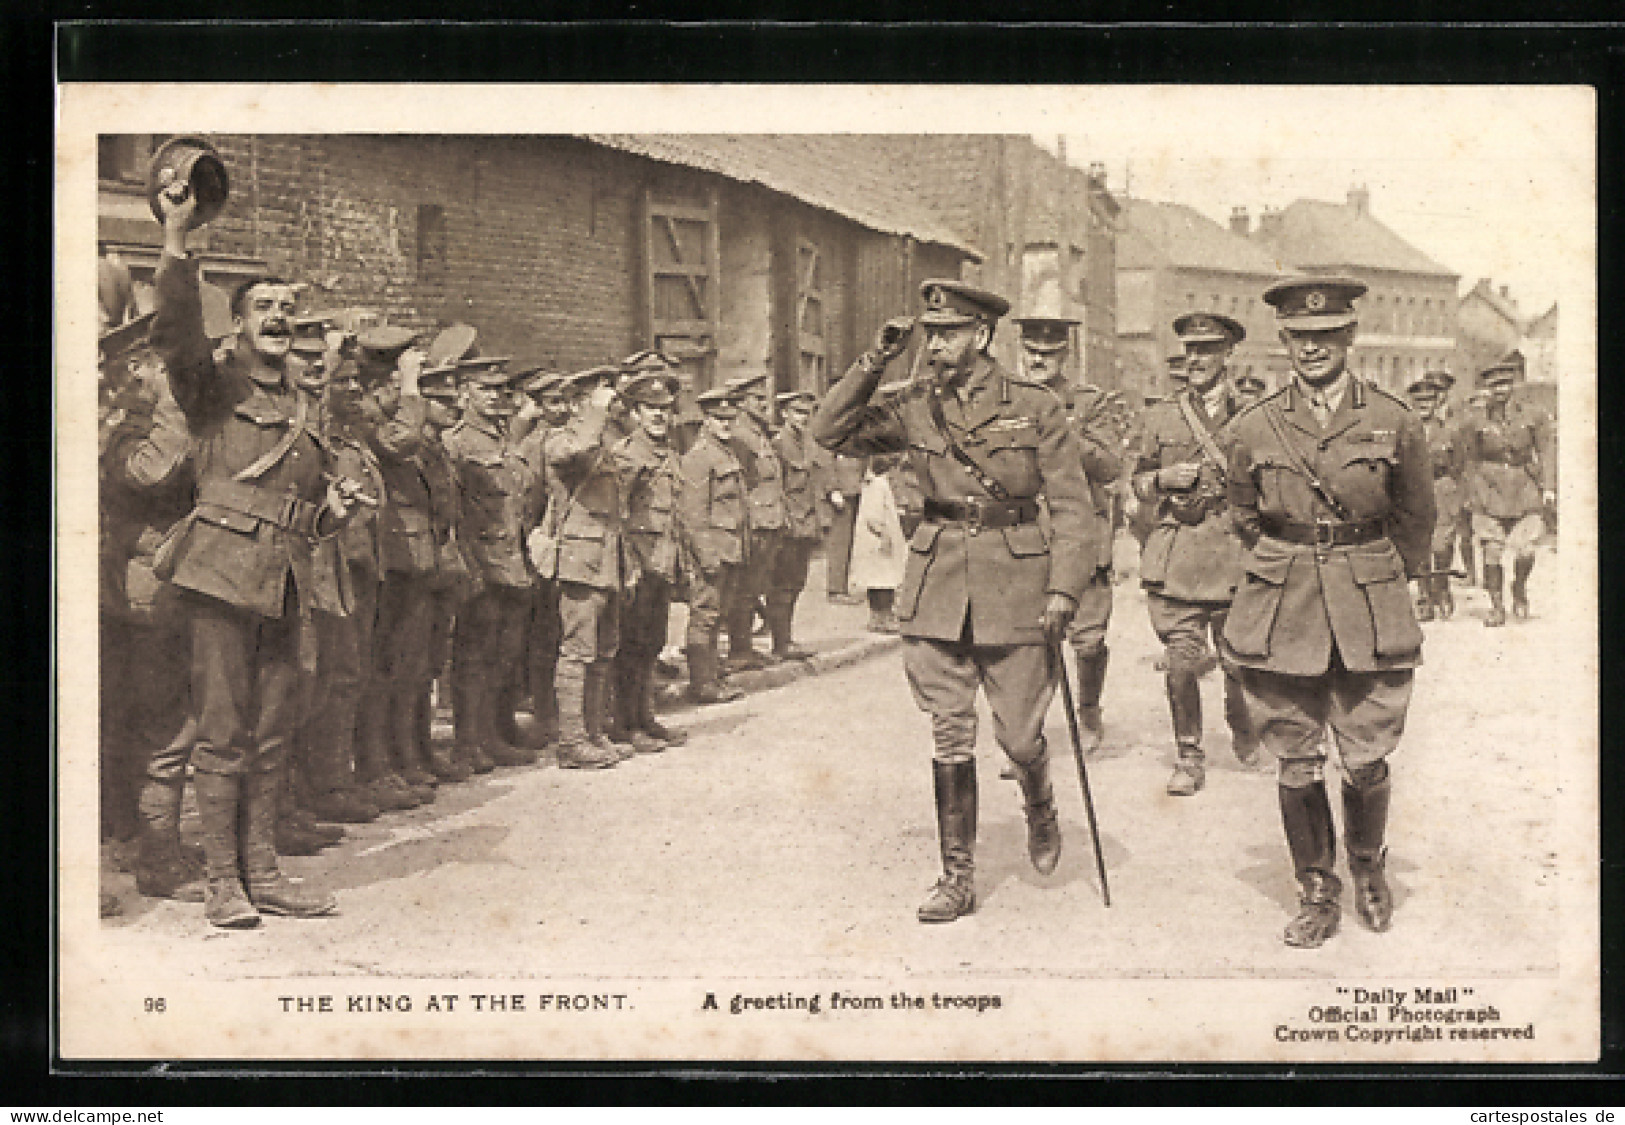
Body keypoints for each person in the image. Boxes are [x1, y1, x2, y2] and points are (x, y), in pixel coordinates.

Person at [812, 279, 1099, 924]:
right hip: (938, 582)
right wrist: (872, 362)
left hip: (1017, 582)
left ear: (983, 335)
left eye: (950, 332)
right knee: (949, 733)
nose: (937, 343)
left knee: (1020, 735)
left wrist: (1063, 588)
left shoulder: (1033, 405)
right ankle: (957, 877)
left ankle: (1040, 800)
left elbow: (1074, 507)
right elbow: (829, 431)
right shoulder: (912, 403)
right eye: (931, 332)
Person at [148, 184, 348, 927]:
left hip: (286, 581)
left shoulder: (303, 403)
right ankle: (221, 882)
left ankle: (264, 872)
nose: (279, 315)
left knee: (271, 733)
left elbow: (305, 507)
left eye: (285, 307)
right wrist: (175, 234)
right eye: (263, 306)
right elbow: (173, 331)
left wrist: (333, 512)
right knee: (223, 733)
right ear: (236, 326)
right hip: (222, 579)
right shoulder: (212, 386)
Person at [1222, 276, 1435, 949]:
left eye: (1325, 335)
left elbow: (1416, 515)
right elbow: (1240, 513)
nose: (1311, 348)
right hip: (1282, 605)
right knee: (1294, 755)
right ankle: (1316, 886)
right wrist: (1282, 566)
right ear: (1283, 341)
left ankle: (1368, 865)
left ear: (1348, 337)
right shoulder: (1253, 426)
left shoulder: (1393, 418)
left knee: (1366, 754)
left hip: (1367, 601)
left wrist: (1375, 575)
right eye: (1298, 337)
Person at [1132, 311, 1257, 796]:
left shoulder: (1255, 415)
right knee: (1183, 662)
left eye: (1208, 350)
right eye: (1191, 350)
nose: (1197, 359)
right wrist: (1161, 480)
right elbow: (1136, 482)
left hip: (1235, 555)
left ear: (1229, 355)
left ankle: (1243, 723)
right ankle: (1189, 755)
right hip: (1179, 556)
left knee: (1240, 661)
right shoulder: (1162, 415)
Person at [364, 355, 478, 786]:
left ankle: (418, 749)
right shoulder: (394, 439)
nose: (450, 404)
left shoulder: (436, 449)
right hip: (402, 565)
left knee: (424, 665)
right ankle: (393, 760)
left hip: (432, 564)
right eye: (438, 396)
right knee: (395, 667)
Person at [1014, 313, 1121, 757]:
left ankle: (1090, 713)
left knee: (1088, 638)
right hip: (1025, 539)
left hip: (1080, 537)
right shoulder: (1008, 400)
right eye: (1032, 353)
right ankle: (1027, 735)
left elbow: (1111, 465)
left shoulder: (1088, 404)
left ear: (1065, 356)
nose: (1039, 361)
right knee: (1030, 644)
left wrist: (1065, 433)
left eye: (1049, 354)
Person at [444, 356, 542, 772]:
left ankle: (497, 733)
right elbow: (453, 512)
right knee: (475, 656)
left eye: (500, 390)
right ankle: (469, 742)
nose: (495, 397)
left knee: (505, 653)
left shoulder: (505, 438)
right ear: (464, 393)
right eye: (485, 389)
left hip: (514, 561)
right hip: (482, 562)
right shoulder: (457, 442)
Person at [538, 366, 630, 768]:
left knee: (604, 650)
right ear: (577, 402)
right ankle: (571, 741)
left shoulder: (603, 437)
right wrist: (594, 413)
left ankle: (594, 732)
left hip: (608, 556)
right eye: (600, 394)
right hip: (579, 559)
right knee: (577, 651)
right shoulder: (561, 438)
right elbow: (570, 454)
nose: (609, 400)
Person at [609, 371, 690, 752]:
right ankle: (625, 725)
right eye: (650, 408)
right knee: (631, 645)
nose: (659, 415)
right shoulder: (626, 454)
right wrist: (628, 567)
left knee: (652, 643)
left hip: (663, 563)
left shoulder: (670, 454)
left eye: (664, 408)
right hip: (637, 565)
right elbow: (616, 515)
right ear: (636, 412)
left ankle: (644, 717)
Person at [1455, 355, 1556, 626]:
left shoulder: (1533, 415)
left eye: (1505, 384)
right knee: (1491, 551)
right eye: (1494, 385)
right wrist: (1471, 493)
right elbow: (1469, 459)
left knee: (1526, 551)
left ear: (1513, 385)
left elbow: (1546, 451)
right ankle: (1497, 606)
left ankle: (1519, 588)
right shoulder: (1474, 420)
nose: (1500, 391)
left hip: (1524, 488)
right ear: (1487, 388)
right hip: (1489, 490)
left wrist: (1548, 487)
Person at [513, 369, 573, 751]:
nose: (562, 409)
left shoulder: (567, 442)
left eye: (566, 401)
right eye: (553, 402)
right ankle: (545, 712)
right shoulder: (535, 445)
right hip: (546, 549)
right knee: (544, 635)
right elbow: (528, 501)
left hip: (571, 547)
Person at [678, 388, 749, 705]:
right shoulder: (699, 457)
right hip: (713, 553)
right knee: (705, 617)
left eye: (730, 418)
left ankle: (712, 675)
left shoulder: (727, 452)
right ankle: (701, 684)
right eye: (719, 418)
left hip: (730, 549)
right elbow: (693, 513)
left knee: (718, 615)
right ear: (705, 420)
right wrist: (706, 556)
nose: (726, 423)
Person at [722, 372, 788, 671]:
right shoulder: (739, 436)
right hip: (754, 522)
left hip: (769, 519)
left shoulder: (758, 432)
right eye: (757, 399)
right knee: (745, 591)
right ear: (742, 402)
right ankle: (739, 650)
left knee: (754, 587)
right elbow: (741, 485)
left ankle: (745, 647)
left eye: (764, 398)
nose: (764, 403)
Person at [768, 390, 830, 660]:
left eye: (807, 413)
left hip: (806, 523)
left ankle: (787, 639)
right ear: (784, 414)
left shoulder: (808, 442)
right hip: (788, 525)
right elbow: (777, 487)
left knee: (796, 584)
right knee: (781, 586)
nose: (803, 418)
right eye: (797, 412)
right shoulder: (779, 444)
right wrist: (784, 521)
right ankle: (781, 643)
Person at [1407, 373, 1464, 621]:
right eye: (1419, 401)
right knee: (1419, 546)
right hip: (1413, 492)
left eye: (1428, 401)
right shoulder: (1405, 431)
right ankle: (1424, 598)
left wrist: (1453, 490)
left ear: (1436, 402)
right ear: (1412, 403)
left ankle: (1441, 588)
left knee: (1441, 545)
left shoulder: (1449, 431)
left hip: (1442, 489)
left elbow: (1460, 463)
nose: (1423, 406)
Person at [848, 455, 908, 633]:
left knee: (880, 580)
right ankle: (881, 618)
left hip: (877, 539)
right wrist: (884, 535)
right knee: (883, 581)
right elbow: (873, 517)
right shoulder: (879, 485)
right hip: (879, 541)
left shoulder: (875, 484)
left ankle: (880, 617)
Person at [823, 453, 867, 602]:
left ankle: (848, 585)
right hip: (842, 492)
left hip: (860, 489)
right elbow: (825, 459)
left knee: (857, 540)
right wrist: (833, 489)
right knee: (840, 542)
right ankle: (836, 589)